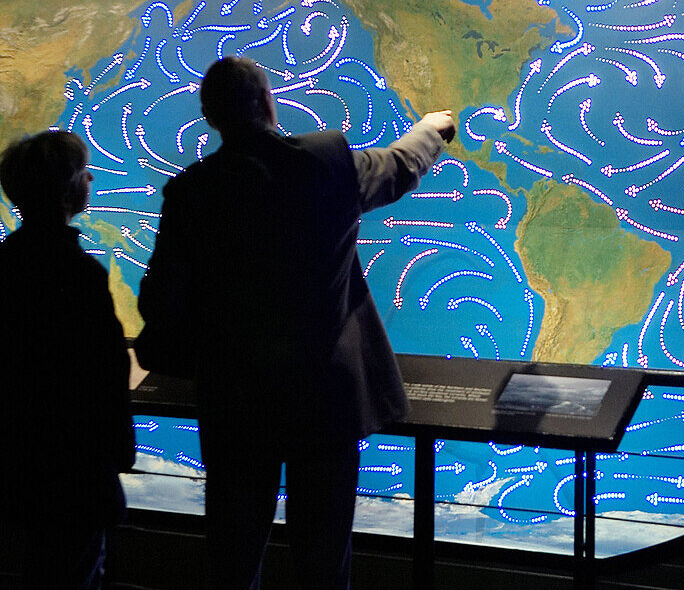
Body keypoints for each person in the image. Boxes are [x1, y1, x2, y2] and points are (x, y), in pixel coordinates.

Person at [135, 56, 455, 589]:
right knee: (323, 559)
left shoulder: (191, 192)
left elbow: (160, 303)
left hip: (235, 405)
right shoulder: (325, 162)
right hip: (323, 402)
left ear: (210, 117)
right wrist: (429, 131)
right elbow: (397, 167)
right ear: (267, 103)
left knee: (234, 561)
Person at [0, 130, 135, 589]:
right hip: (74, 469)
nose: (91, 178)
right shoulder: (77, 270)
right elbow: (104, 369)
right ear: (68, 189)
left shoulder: (3, 263)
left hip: (21, 458)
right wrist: (119, 448)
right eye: (84, 172)